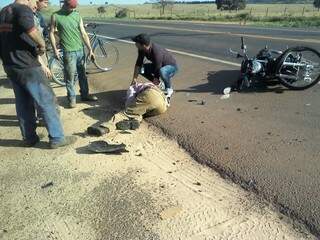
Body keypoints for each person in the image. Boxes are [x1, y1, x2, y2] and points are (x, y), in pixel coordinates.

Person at [0, 0, 76, 148]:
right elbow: (31, 30)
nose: (36, 5)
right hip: (27, 65)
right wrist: (41, 45)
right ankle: (57, 138)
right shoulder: (22, 9)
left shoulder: (3, 11)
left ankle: (29, 138)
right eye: (35, 1)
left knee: (23, 103)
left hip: (10, 65)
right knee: (47, 101)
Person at [49, 0, 98, 108]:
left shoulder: (77, 15)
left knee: (82, 75)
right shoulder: (55, 16)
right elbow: (51, 33)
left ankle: (85, 95)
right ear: (65, 5)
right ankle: (71, 98)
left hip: (80, 50)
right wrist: (55, 49)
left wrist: (90, 49)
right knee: (69, 77)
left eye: (74, 8)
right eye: (71, 8)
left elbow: (83, 33)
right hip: (68, 52)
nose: (73, 10)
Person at [131, 33, 178, 105]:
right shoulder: (141, 50)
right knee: (141, 69)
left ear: (143, 45)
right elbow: (138, 64)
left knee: (162, 71)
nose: (135, 44)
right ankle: (160, 84)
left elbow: (158, 67)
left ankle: (169, 89)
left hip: (171, 67)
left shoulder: (156, 51)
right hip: (158, 66)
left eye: (136, 43)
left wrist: (154, 81)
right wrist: (134, 78)